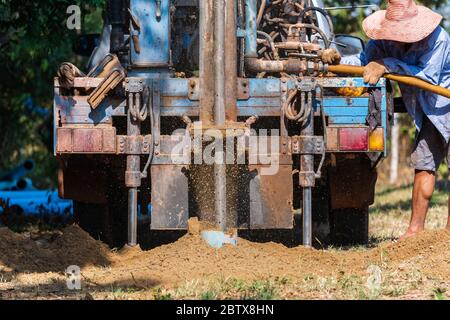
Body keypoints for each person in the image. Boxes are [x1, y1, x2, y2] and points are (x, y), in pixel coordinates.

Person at [322, 0, 450, 239]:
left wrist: (386, 64)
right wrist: (337, 61)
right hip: (428, 113)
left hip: (445, 104)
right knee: (424, 166)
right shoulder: (384, 40)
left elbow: (428, 78)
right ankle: (415, 231)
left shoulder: (438, 39)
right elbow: (363, 61)